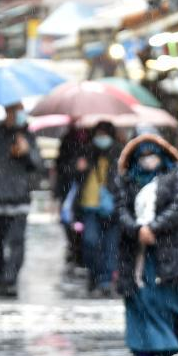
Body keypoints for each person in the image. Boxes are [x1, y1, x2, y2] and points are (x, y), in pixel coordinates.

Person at [115, 133, 178, 356]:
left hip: (169, 255)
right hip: (136, 257)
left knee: (168, 306)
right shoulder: (127, 180)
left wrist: (154, 228)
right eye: (142, 155)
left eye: (152, 154)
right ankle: (146, 354)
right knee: (141, 304)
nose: (148, 159)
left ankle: (164, 351)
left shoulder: (174, 176)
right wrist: (137, 230)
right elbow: (120, 209)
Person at [0, 103, 42, 298]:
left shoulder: (27, 136)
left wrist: (26, 152)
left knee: (17, 242)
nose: (18, 115)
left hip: (19, 198)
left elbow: (38, 166)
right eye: (15, 111)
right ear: (7, 112)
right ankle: (0, 279)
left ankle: (10, 279)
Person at [75, 121, 122, 296]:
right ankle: (95, 275)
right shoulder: (86, 152)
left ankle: (105, 280)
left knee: (110, 245)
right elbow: (72, 175)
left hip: (113, 206)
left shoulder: (119, 153)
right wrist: (79, 168)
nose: (101, 138)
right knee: (91, 242)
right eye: (98, 134)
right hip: (90, 206)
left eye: (105, 134)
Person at [54, 126, 89, 277]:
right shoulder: (68, 140)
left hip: (86, 192)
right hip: (69, 191)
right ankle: (75, 253)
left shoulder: (92, 139)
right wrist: (75, 166)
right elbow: (61, 166)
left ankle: (79, 255)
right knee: (70, 224)